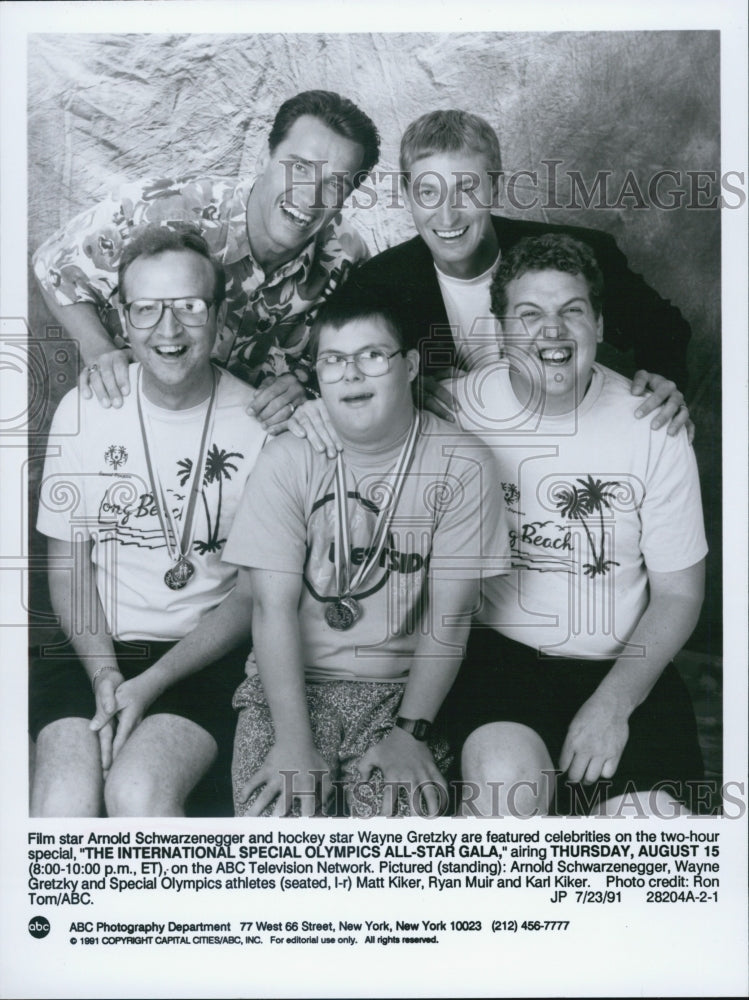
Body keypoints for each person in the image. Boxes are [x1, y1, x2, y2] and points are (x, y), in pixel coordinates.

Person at [222, 282, 509, 817]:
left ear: (410, 366)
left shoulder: (462, 463)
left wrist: (411, 730)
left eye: (372, 355)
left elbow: (451, 614)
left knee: (392, 860)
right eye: (332, 361)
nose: (350, 374)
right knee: (277, 845)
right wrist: (292, 741)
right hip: (285, 690)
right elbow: (270, 607)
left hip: (398, 695)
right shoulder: (288, 458)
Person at [446, 234, 707, 817]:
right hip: (500, 664)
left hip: (626, 666)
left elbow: (681, 593)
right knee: (503, 790)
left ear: (600, 324)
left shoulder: (653, 426)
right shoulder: (450, 410)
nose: (552, 332)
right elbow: (347, 418)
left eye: (572, 311)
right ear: (500, 329)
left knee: (655, 833)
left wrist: (612, 707)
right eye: (530, 314)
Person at [30, 227, 266, 816]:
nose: (168, 329)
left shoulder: (260, 423)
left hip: (205, 657)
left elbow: (252, 594)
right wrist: (106, 672)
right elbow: (69, 567)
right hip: (91, 645)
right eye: (146, 308)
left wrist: (152, 681)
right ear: (121, 317)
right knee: (63, 800)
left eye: (188, 306)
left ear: (218, 314)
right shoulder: (84, 410)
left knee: (138, 792)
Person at [32, 90, 380, 431]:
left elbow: (345, 355)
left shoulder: (348, 259)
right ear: (264, 157)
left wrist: (305, 385)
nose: (309, 196)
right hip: (131, 418)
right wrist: (98, 350)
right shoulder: (161, 208)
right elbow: (53, 267)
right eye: (299, 167)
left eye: (335, 184)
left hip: (241, 446)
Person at [351, 108, 692, 437]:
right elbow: (355, 379)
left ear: (495, 187)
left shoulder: (578, 254)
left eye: (466, 190)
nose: (447, 216)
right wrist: (398, 391)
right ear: (406, 196)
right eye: (428, 192)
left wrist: (662, 379)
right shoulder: (377, 286)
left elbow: (665, 330)